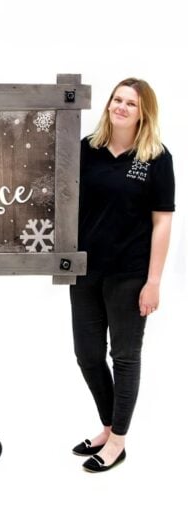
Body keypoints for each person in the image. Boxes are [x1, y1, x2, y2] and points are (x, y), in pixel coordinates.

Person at [70, 78, 175, 473]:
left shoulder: (156, 158)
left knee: (125, 357)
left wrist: (154, 282)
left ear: (143, 112)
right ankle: (108, 426)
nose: (121, 107)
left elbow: (162, 223)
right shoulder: (87, 149)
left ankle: (118, 441)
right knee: (87, 355)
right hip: (85, 270)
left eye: (131, 103)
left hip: (130, 274)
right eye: (117, 99)